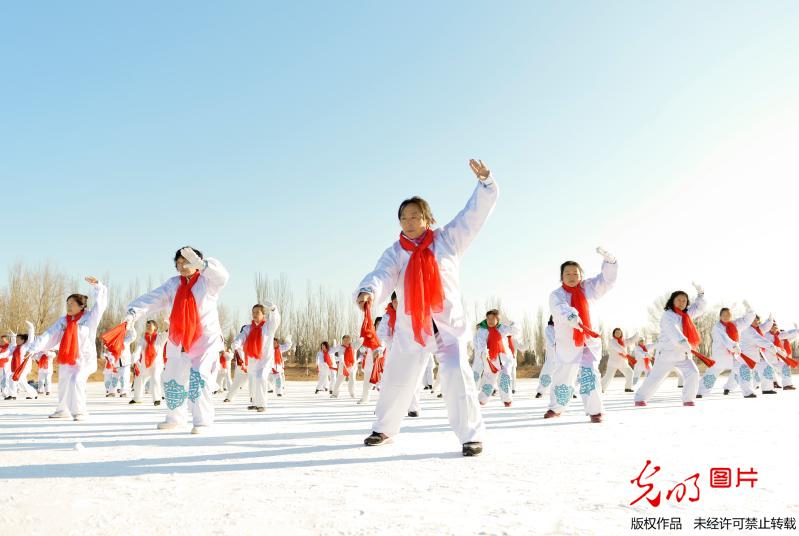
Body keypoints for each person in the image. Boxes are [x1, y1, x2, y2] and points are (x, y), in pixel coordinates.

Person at [355, 159, 494, 456]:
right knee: (397, 377)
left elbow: (473, 215)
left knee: (457, 373)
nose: (409, 223)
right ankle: (384, 428)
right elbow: (382, 274)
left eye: (415, 216)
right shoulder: (396, 253)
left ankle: (471, 435)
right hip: (411, 326)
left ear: (428, 218)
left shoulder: (447, 240)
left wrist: (485, 184)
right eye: (404, 218)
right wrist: (368, 290)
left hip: (448, 325)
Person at [124, 247, 229, 434]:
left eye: (186, 262)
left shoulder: (207, 281)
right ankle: (175, 418)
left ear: (196, 262)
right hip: (178, 337)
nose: (181, 266)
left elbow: (223, 277)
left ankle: (202, 421)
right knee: (172, 378)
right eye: (178, 263)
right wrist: (133, 312)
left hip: (205, 338)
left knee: (199, 377)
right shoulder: (173, 284)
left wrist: (203, 265)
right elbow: (153, 299)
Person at [544, 248, 618, 423]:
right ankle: (556, 408)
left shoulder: (588, 288)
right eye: (567, 273)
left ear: (580, 275)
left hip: (588, 342)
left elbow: (607, 281)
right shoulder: (556, 295)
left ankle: (595, 410)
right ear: (561, 276)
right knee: (565, 376)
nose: (571, 276)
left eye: (575, 273)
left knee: (589, 374)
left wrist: (611, 262)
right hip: (568, 342)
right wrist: (574, 318)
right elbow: (561, 310)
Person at [24, 277, 108, 420]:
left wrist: (99, 287)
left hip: (85, 359)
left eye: (72, 304)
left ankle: (80, 411)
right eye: (67, 303)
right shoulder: (64, 321)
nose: (68, 306)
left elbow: (100, 306)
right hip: (67, 358)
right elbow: (49, 334)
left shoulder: (90, 318)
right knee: (63, 383)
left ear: (81, 306)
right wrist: (33, 348)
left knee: (76, 380)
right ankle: (62, 410)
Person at [634, 284, 706, 407]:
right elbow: (673, 330)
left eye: (684, 300)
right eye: (678, 300)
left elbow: (699, 308)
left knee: (693, 373)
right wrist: (684, 342)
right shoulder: (668, 315)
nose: (681, 302)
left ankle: (688, 399)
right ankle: (640, 398)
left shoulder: (686, 315)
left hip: (682, 355)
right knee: (655, 378)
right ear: (672, 301)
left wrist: (701, 295)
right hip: (666, 354)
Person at [232, 303, 281, 412]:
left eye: (257, 312)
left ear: (263, 314)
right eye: (253, 312)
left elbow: (276, 320)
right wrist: (237, 342)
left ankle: (262, 404)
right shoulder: (248, 328)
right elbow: (242, 336)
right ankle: (255, 402)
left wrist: (274, 309)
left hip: (265, 360)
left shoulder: (268, 326)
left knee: (261, 378)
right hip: (253, 359)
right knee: (253, 381)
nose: (254, 314)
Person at [602, 328, 637, 393]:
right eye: (616, 332)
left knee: (630, 373)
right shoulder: (612, 341)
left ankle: (628, 388)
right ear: (614, 334)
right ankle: (601, 388)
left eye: (619, 332)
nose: (618, 334)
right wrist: (626, 354)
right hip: (613, 363)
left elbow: (630, 340)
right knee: (608, 376)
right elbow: (618, 348)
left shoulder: (623, 341)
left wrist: (637, 335)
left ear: (621, 334)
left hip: (622, 363)